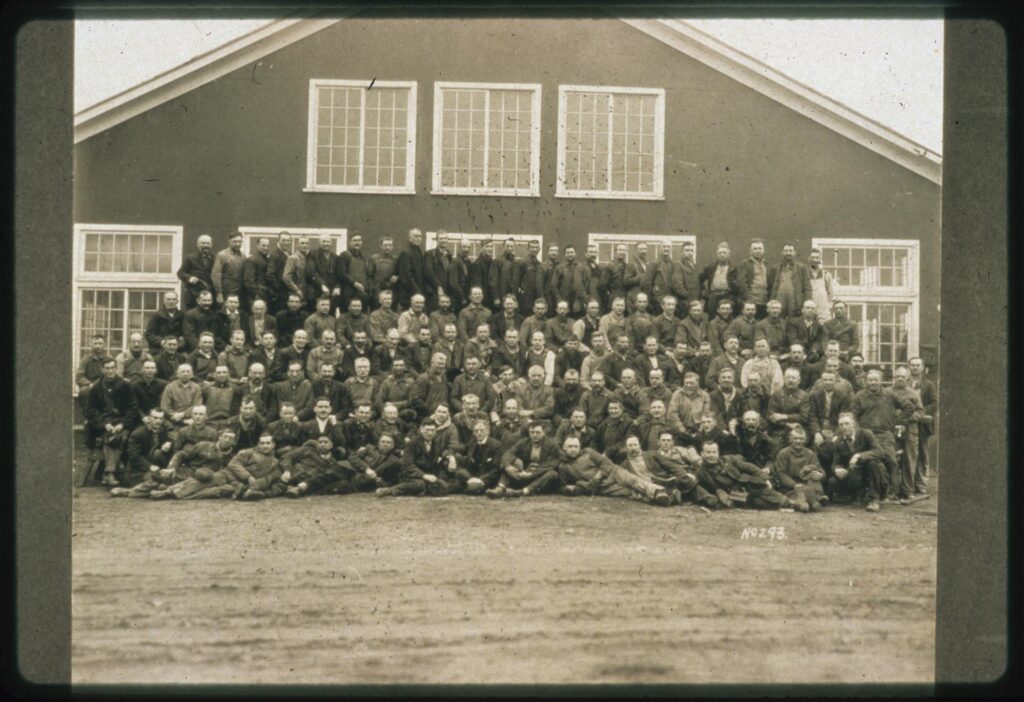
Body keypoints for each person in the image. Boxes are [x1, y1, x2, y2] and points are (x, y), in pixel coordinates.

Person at [851, 369, 916, 502]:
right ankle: (862, 492)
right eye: (870, 380)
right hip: (866, 434)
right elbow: (853, 416)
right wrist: (858, 431)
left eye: (876, 380)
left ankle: (892, 492)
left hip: (885, 434)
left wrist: (897, 422)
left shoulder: (889, 394)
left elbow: (909, 407)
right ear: (866, 381)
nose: (873, 382)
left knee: (891, 461)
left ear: (880, 381)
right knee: (866, 461)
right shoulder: (859, 396)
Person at [116, 429, 237, 500]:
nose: (227, 440)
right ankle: (130, 491)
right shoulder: (203, 445)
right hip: (186, 472)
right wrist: (172, 467)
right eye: (225, 437)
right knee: (158, 480)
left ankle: (165, 491)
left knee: (202, 483)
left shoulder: (231, 458)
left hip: (199, 480)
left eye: (230, 438)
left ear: (233, 442)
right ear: (219, 437)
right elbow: (181, 454)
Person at [555, 436, 671, 505]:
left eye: (576, 446)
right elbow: (563, 485)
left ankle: (658, 492)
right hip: (602, 487)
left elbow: (606, 463)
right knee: (629, 493)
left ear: (580, 446)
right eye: (570, 447)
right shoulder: (564, 467)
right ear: (564, 448)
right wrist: (576, 488)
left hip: (614, 472)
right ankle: (666, 498)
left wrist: (598, 476)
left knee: (634, 481)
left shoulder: (588, 452)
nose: (573, 449)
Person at [84, 357, 140, 485]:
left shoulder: (125, 385)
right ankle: (110, 473)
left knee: (121, 436)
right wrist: (104, 424)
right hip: (104, 423)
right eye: (107, 368)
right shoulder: (96, 387)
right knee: (112, 436)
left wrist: (123, 424)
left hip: (122, 421)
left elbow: (133, 407)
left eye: (112, 368)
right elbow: (90, 409)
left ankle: (108, 473)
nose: (110, 371)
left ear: (116, 368)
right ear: (102, 369)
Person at [695, 441, 789, 510]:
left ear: (718, 452)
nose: (711, 455)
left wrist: (765, 478)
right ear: (702, 454)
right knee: (759, 503)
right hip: (734, 496)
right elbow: (702, 491)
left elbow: (750, 467)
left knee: (766, 492)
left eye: (714, 452)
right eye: (708, 452)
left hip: (748, 484)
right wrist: (718, 496)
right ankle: (787, 505)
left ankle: (791, 503)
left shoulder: (728, 459)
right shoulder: (701, 473)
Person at [827, 412, 888, 512]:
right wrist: (837, 469)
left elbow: (880, 452)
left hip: (871, 472)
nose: (844, 427)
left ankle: (874, 499)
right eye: (841, 425)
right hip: (855, 473)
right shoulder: (839, 441)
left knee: (873, 464)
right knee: (832, 482)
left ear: (853, 424)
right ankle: (856, 494)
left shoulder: (866, 434)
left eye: (847, 424)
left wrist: (859, 455)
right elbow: (836, 462)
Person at [379, 419, 455, 497]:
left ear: (435, 431)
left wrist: (451, 458)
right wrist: (424, 475)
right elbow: (408, 465)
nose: (430, 433)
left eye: (432, 430)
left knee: (449, 484)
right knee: (420, 485)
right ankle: (390, 490)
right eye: (427, 430)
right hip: (412, 475)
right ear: (421, 429)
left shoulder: (436, 443)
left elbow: (446, 452)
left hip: (429, 474)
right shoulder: (412, 444)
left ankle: (427, 488)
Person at [890, 366, 931, 502]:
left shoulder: (913, 394)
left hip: (910, 430)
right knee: (892, 458)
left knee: (910, 459)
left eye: (902, 377)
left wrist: (908, 419)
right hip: (891, 429)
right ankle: (893, 490)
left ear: (907, 378)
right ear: (893, 378)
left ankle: (908, 490)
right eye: (897, 376)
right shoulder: (887, 392)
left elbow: (920, 411)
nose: (900, 379)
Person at [487, 422, 561, 498]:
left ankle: (523, 492)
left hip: (540, 476)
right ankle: (500, 489)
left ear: (543, 433)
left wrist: (532, 474)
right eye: (532, 432)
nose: (534, 435)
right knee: (507, 467)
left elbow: (552, 463)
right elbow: (508, 454)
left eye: (538, 432)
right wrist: (508, 466)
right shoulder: (524, 442)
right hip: (525, 472)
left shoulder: (552, 444)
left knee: (552, 474)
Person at [771, 426, 827, 512]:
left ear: (805, 440)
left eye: (801, 439)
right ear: (790, 440)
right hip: (791, 487)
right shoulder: (783, 454)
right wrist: (794, 485)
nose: (798, 441)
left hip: (807, 484)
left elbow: (819, 468)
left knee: (813, 473)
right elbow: (781, 474)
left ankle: (817, 497)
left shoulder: (810, 453)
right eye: (795, 438)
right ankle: (812, 501)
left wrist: (820, 474)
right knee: (799, 496)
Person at [280, 435, 356, 497]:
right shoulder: (307, 450)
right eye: (320, 442)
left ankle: (297, 489)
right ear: (316, 444)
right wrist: (287, 471)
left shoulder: (332, 463)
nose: (322, 444)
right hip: (290, 476)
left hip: (309, 483)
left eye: (325, 442)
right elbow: (287, 456)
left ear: (331, 445)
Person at [120, 407, 174, 490]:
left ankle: (159, 485)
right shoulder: (138, 433)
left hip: (153, 469)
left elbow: (166, 448)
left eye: (161, 419)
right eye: (155, 418)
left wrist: (168, 445)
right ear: (149, 418)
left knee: (164, 475)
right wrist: (150, 466)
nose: (158, 421)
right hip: (136, 472)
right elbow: (134, 456)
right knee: (154, 480)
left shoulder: (162, 431)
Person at [908, 356, 937, 492]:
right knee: (909, 453)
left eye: (917, 365)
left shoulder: (928, 385)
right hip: (908, 423)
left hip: (922, 424)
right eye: (912, 365)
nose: (915, 368)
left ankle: (921, 484)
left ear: (922, 368)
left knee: (922, 453)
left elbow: (935, 403)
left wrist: (921, 412)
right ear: (909, 367)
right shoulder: (905, 383)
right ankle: (909, 483)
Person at [766, 368, 810, 442]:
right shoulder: (777, 395)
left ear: (799, 381)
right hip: (780, 429)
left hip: (799, 428)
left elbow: (803, 417)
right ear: (784, 379)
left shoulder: (805, 396)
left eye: (793, 378)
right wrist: (787, 424)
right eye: (788, 377)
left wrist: (784, 416)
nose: (790, 380)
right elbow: (771, 416)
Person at [667, 372, 710, 445]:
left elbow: (706, 414)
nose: (688, 385)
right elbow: (672, 414)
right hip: (680, 431)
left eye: (691, 383)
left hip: (699, 431)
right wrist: (681, 428)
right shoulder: (677, 394)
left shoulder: (705, 396)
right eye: (686, 383)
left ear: (697, 382)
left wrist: (700, 431)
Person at [701, 241, 738, 320]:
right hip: (713, 296)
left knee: (728, 317)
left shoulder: (734, 268)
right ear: (717, 254)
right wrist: (704, 291)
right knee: (712, 317)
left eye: (724, 253)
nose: (722, 255)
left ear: (729, 254)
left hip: (727, 295)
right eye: (720, 253)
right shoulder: (711, 267)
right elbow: (700, 279)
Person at [735, 239, 770, 319]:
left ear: (763, 250)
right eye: (755, 249)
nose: (757, 251)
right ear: (750, 251)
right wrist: (748, 299)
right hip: (751, 301)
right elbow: (741, 282)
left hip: (763, 300)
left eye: (760, 248)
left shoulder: (765, 264)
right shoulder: (745, 263)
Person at [177, 235, 216, 309]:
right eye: (203, 243)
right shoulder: (190, 258)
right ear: (198, 245)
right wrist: (189, 278)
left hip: (210, 294)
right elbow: (180, 273)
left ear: (211, 245)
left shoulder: (216, 258)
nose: (205, 245)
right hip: (193, 294)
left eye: (208, 243)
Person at [410, 352, 450, 420]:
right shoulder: (424, 378)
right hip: (429, 417)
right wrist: (428, 414)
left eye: (443, 364)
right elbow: (415, 400)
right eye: (439, 363)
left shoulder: (444, 378)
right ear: (432, 363)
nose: (441, 366)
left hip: (442, 416)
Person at [160, 363, 203, 427]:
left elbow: (197, 405)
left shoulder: (196, 387)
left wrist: (183, 414)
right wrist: (173, 415)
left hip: (191, 420)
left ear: (192, 375)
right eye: (183, 371)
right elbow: (165, 407)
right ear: (178, 374)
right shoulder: (170, 387)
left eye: (188, 372)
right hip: (173, 420)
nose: (185, 374)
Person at [211, 234, 246, 310]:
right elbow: (216, 275)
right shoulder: (222, 255)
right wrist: (219, 293)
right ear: (229, 242)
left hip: (240, 293)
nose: (237, 244)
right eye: (234, 241)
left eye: (239, 241)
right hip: (226, 292)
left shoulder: (243, 256)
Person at [337, 232, 370, 311]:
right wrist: (354, 283)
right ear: (350, 242)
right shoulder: (345, 255)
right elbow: (341, 273)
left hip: (361, 293)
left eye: (359, 240)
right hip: (348, 293)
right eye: (354, 240)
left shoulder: (363, 257)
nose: (357, 242)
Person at [396, 228, 427, 310]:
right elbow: (406, 276)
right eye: (416, 236)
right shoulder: (406, 253)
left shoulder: (418, 251)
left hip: (418, 292)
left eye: (420, 236)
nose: (418, 238)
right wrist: (417, 291)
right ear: (410, 238)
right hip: (409, 293)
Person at [423, 230, 454, 312]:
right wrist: (438, 287)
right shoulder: (430, 254)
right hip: (435, 292)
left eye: (445, 238)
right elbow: (429, 272)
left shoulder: (449, 255)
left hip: (447, 292)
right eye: (441, 238)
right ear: (437, 240)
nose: (443, 240)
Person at [282, 236, 315, 309]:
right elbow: (286, 277)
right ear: (297, 245)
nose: (304, 245)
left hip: (307, 293)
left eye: (306, 243)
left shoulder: (308, 258)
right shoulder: (293, 258)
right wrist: (296, 289)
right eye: (302, 243)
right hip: (296, 294)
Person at [552, 244, 585, 315]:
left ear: (576, 254)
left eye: (572, 252)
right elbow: (554, 285)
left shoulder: (581, 267)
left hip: (578, 300)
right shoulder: (559, 268)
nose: (570, 254)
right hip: (564, 300)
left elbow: (585, 283)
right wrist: (559, 300)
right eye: (568, 253)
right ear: (564, 255)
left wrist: (583, 299)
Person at [368, 236, 400, 309]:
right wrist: (373, 289)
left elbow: (400, 273)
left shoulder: (396, 259)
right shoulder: (374, 258)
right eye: (385, 245)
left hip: (391, 291)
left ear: (392, 247)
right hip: (377, 291)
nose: (387, 247)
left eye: (390, 245)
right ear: (381, 246)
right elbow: (369, 276)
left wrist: (397, 277)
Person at [807, 248, 836, 322]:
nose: (815, 260)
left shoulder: (826, 274)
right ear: (809, 259)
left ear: (820, 259)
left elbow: (830, 293)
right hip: (809, 309)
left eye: (817, 258)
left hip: (823, 311)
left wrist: (828, 307)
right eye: (813, 257)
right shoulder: (804, 274)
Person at [266, 232, 292, 315]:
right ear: (278, 241)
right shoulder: (274, 255)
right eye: (283, 240)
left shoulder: (289, 254)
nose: (285, 242)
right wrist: (280, 289)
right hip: (278, 294)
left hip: (288, 292)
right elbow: (270, 275)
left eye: (287, 240)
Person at [243, 236, 272, 308]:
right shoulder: (252, 260)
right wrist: (256, 294)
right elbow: (249, 280)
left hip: (266, 294)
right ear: (257, 246)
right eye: (263, 245)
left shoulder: (267, 260)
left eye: (267, 246)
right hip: (256, 295)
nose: (266, 248)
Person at [447, 239, 474, 313]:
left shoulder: (469, 262)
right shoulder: (455, 262)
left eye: (468, 247)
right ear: (459, 248)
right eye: (464, 247)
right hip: (457, 299)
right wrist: (462, 297)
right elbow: (453, 283)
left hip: (467, 298)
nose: (466, 249)